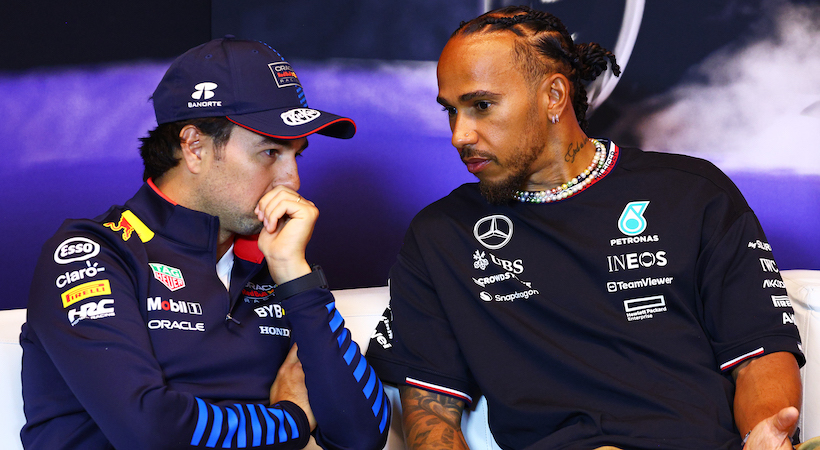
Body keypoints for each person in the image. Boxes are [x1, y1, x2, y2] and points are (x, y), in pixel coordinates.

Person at [365, 6, 807, 450]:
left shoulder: (693, 193)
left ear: (554, 95)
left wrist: (762, 437)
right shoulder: (440, 235)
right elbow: (431, 416)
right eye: (451, 111)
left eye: (481, 106)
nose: (460, 134)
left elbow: (760, 356)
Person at [21, 37, 390, 450]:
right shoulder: (92, 253)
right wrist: (294, 419)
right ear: (194, 147)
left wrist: (295, 276)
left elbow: (362, 437)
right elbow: (152, 431)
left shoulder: (278, 264)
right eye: (270, 152)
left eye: (296, 155)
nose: (293, 181)